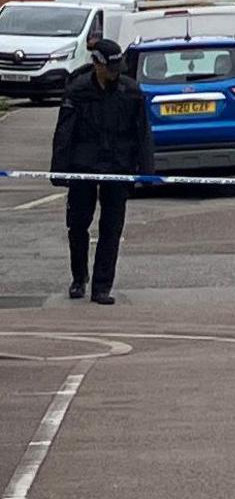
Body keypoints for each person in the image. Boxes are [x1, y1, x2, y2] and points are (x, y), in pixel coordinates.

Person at [51, 39, 152, 305]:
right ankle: (79, 277)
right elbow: (64, 132)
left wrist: (146, 170)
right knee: (78, 223)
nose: (114, 71)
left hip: (118, 166)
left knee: (112, 227)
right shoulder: (78, 91)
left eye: (117, 66)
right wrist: (59, 170)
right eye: (109, 66)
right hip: (84, 166)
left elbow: (142, 133)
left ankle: (102, 286)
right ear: (96, 64)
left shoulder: (130, 91)